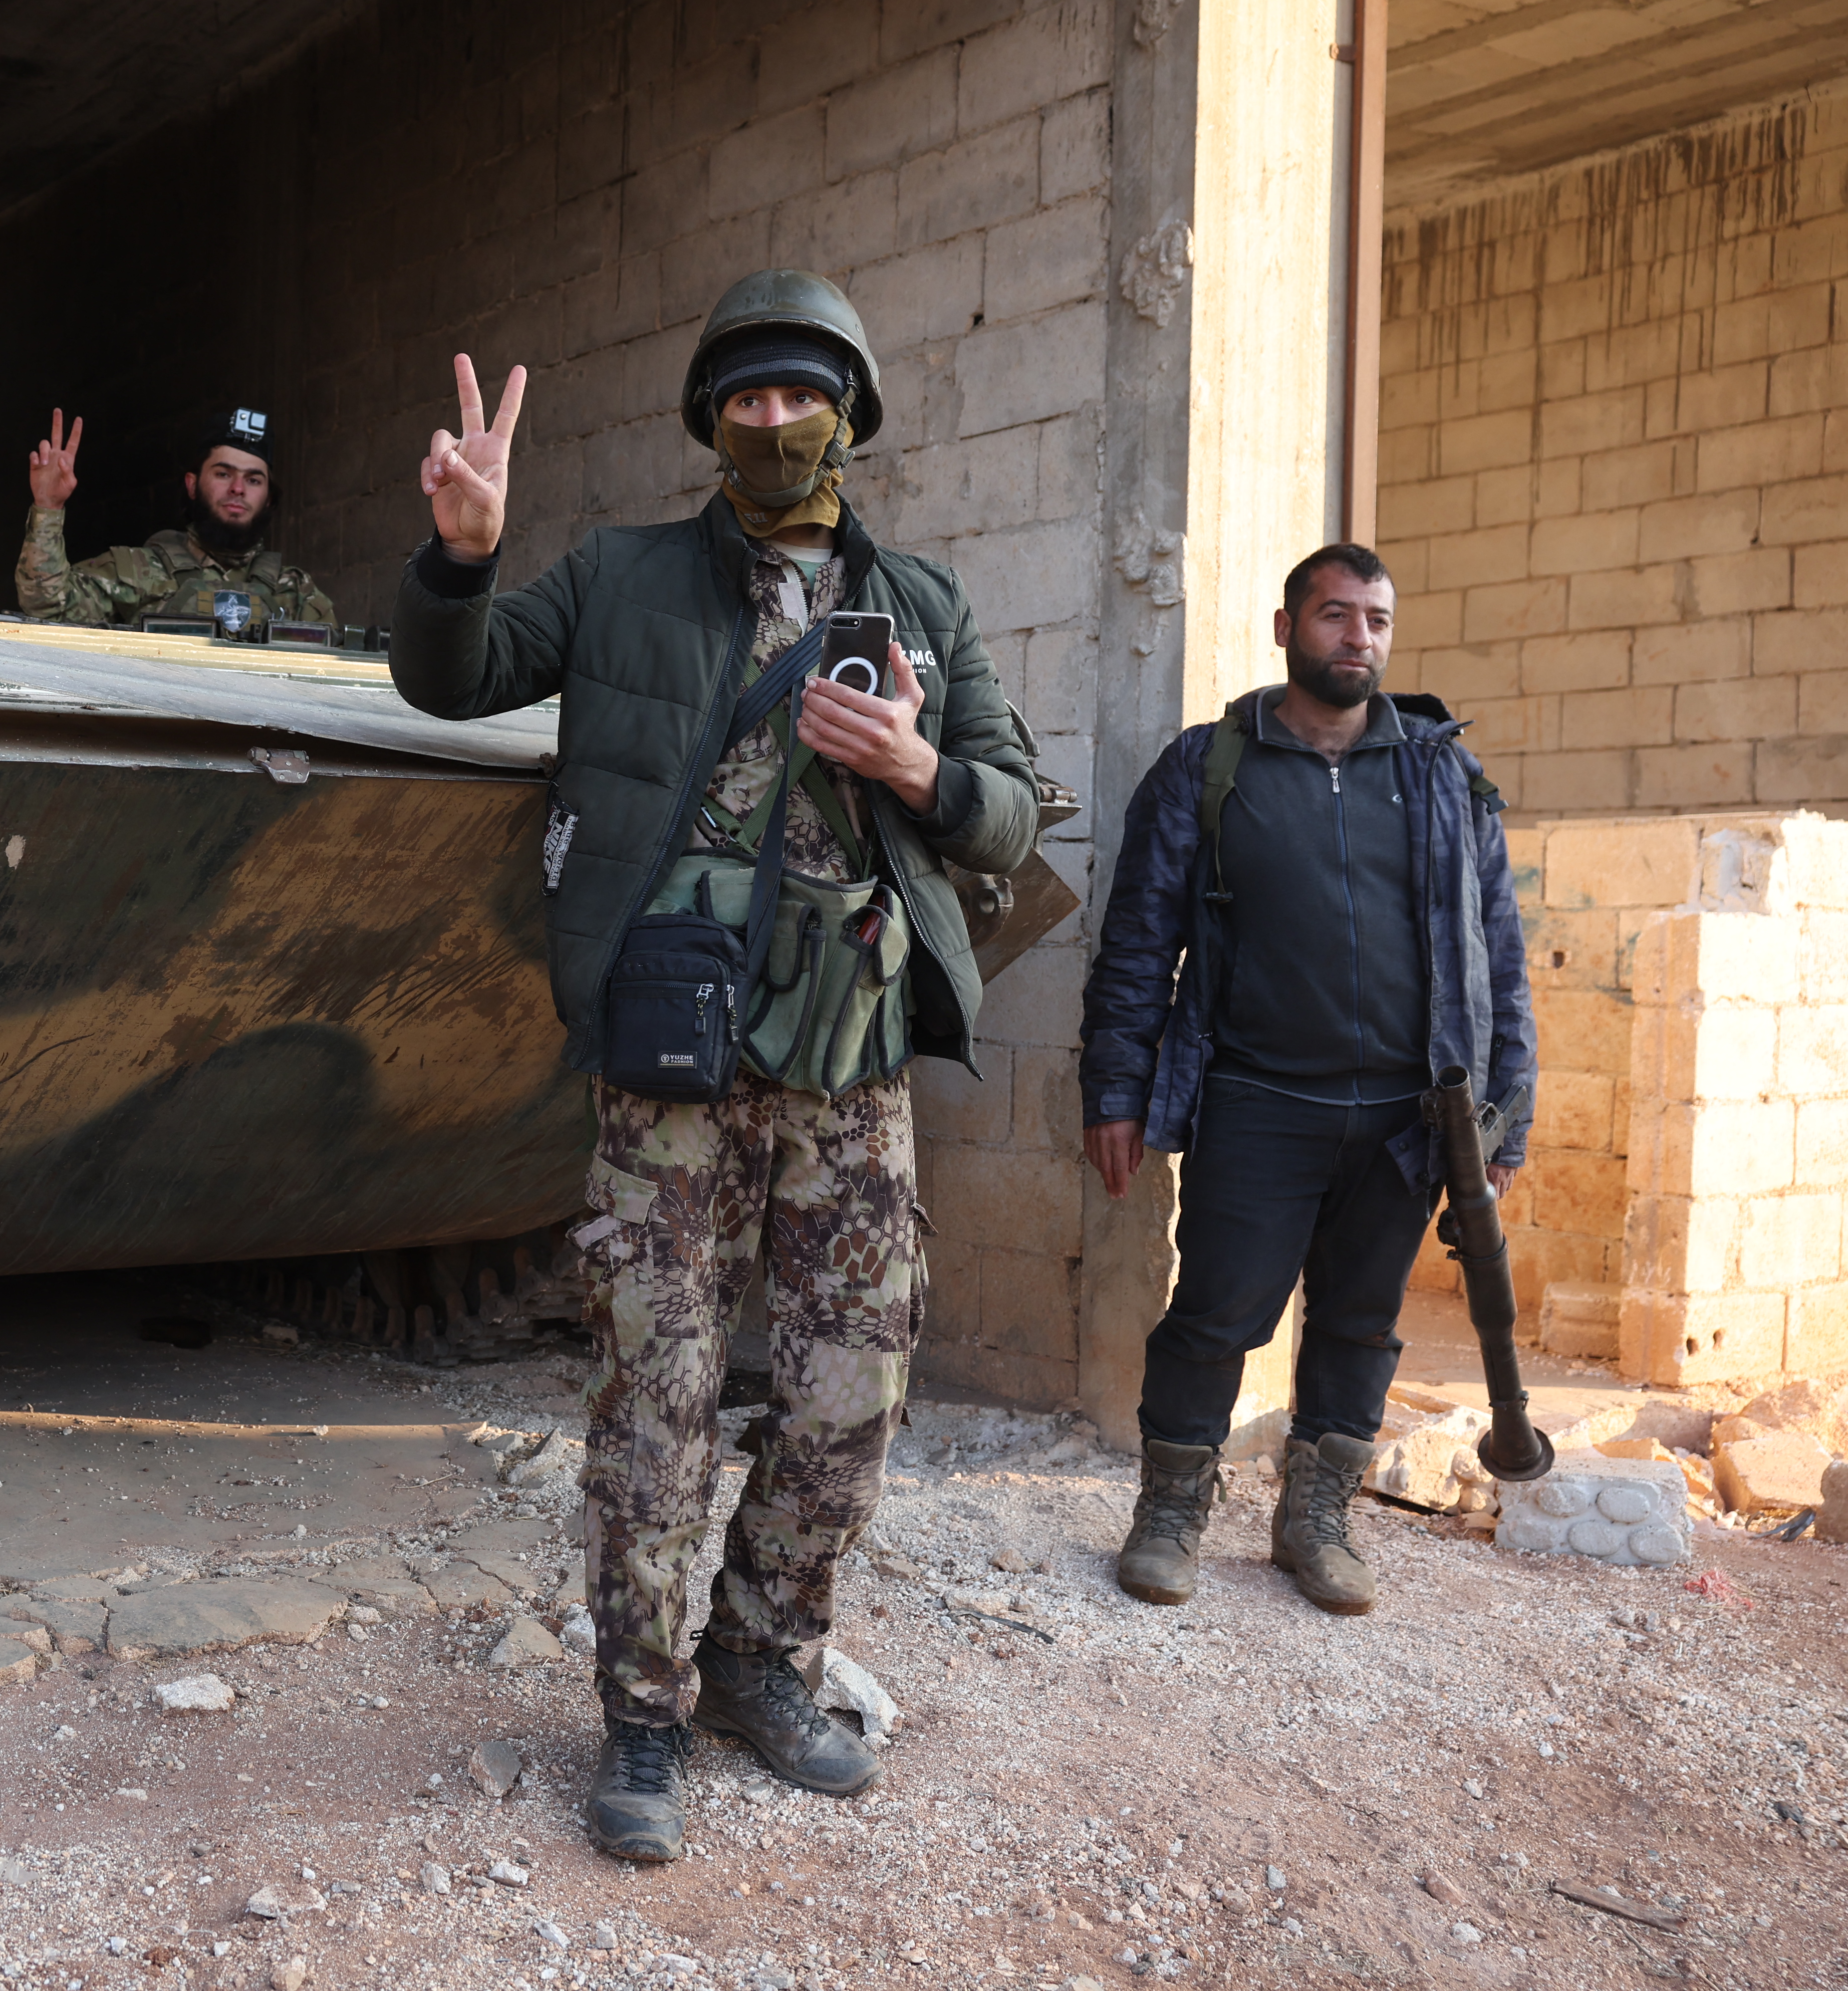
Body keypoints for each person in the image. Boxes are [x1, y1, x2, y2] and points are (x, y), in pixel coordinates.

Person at [388, 269, 1042, 1863]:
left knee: (847, 1390)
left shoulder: (924, 602)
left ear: (848, 413)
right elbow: (452, 678)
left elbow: (1011, 808)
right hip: (672, 1057)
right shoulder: (618, 578)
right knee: (656, 1397)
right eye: (746, 396)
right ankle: (639, 1716)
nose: (773, 420)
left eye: (801, 394)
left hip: (849, 1061)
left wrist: (921, 768)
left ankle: (763, 1660)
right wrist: (461, 554)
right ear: (709, 418)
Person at [1079, 543, 1533, 1618]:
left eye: (1376, 619)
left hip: (1408, 1115)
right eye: (1335, 615)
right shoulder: (1207, 766)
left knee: (1361, 1323)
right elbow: (1138, 941)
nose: (1358, 637)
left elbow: (1498, 950)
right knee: (1215, 1314)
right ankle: (1170, 1510)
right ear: (1288, 628)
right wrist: (1116, 1088)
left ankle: (1316, 1521)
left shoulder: (1441, 772)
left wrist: (1506, 1114)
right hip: (1257, 1099)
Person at [13, 405, 337, 634]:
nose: (238, 489)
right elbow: (48, 607)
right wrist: (49, 506)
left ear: (268, 498)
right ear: (192, 485)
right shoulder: (138, 571)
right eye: (223, 474)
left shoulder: (296, 592)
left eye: (253, 480)